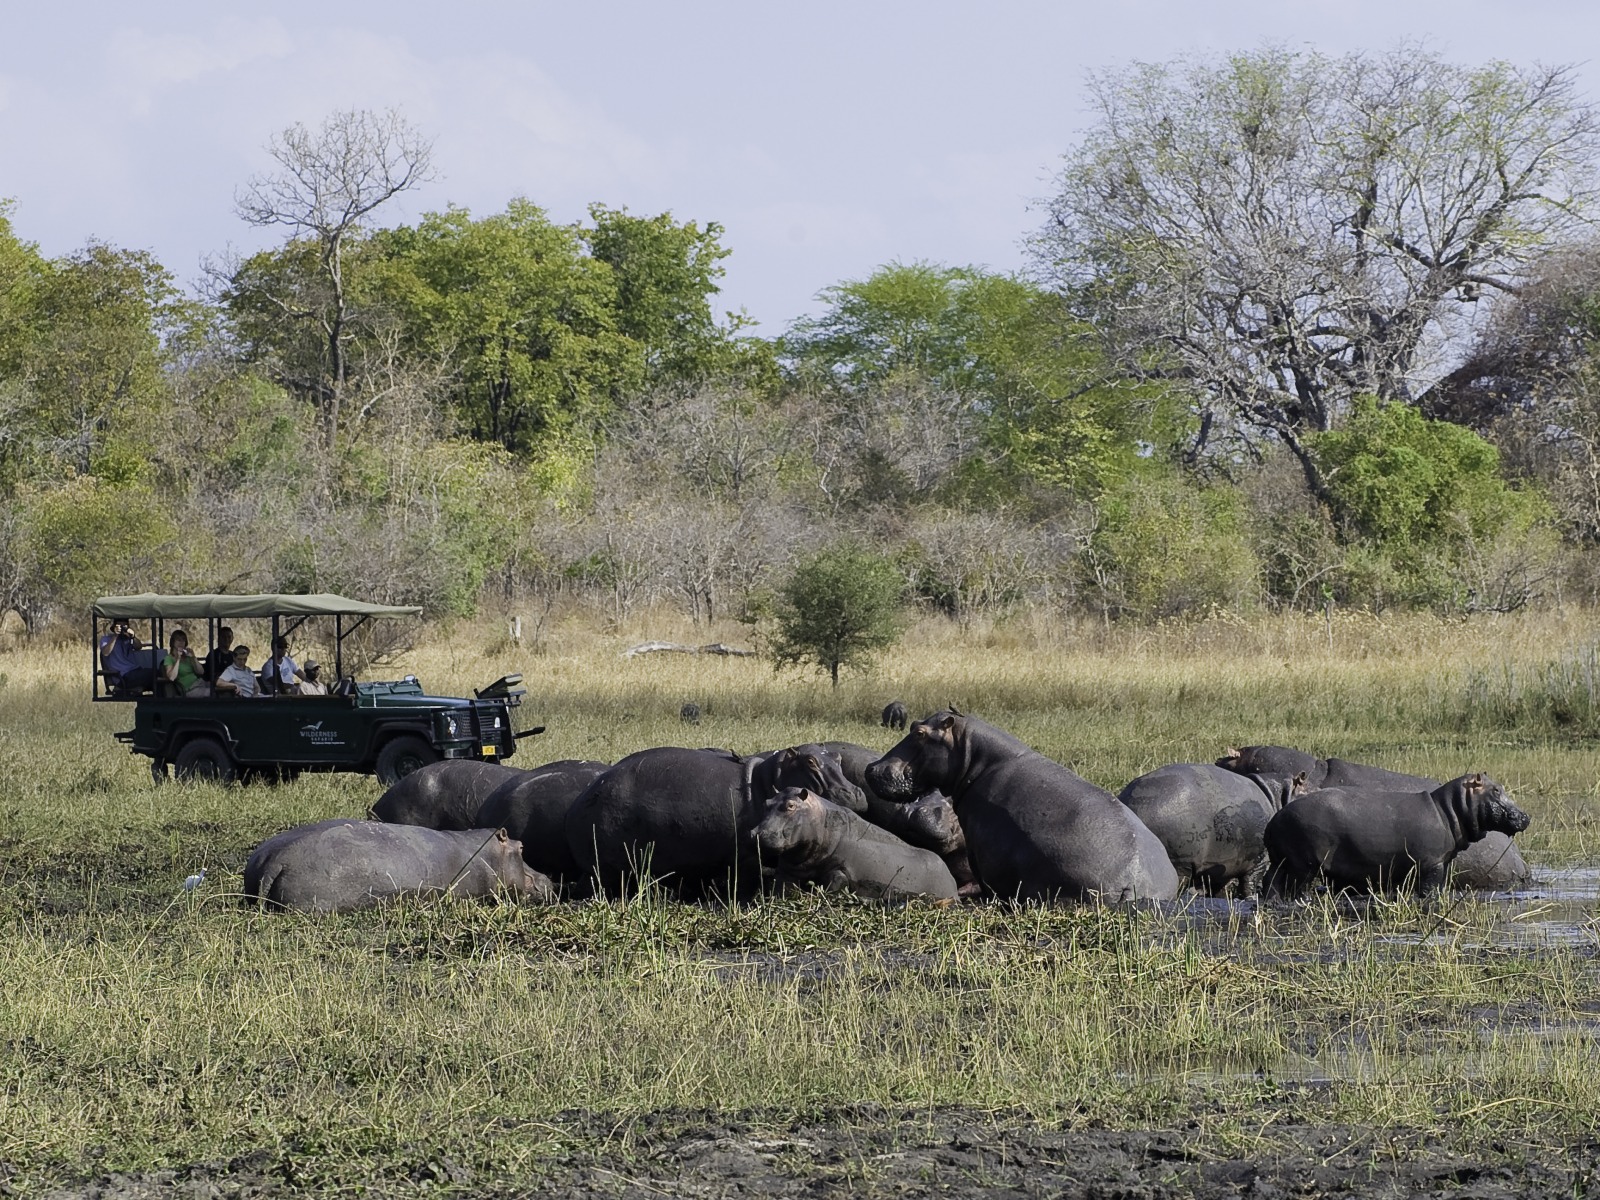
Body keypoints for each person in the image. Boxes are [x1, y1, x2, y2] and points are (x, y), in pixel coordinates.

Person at [99, 619, 156, 694]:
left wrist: (133, 636)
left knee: (158, 676)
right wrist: (115, 636)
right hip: (122, 676)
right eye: (120, 626)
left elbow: (138, 647)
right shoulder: (106, 639)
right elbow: (105, 653)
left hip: (135, 671)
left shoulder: (127, 639)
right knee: (153, 674)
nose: (122, 629)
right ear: (114, 627)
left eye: (124, 626)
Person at [160, 629, 210, 697]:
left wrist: (193, 658)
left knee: (219, 688)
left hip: (200, 683)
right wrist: (178, 659)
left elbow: (201, 672)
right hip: (189, 689)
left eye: (183, 640)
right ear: (173, 642)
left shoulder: (187, 657)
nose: (181, 642)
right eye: (178, 640)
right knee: (212, 693)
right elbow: (172, 677)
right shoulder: (169, 658)